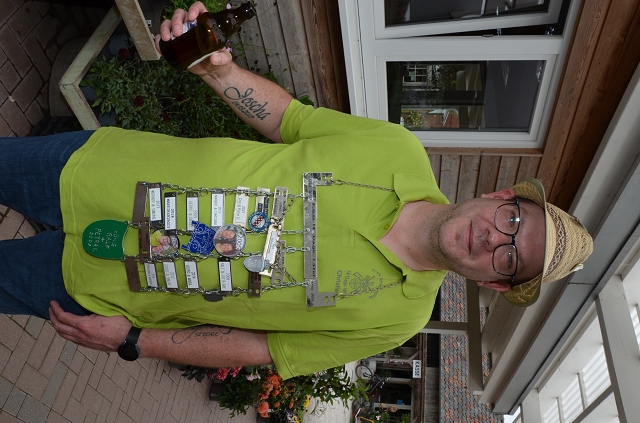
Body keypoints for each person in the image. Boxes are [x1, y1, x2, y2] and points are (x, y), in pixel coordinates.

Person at [0, 2, 593, 379]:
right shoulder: (398, 149)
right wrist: (221, 72)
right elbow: (291, 120)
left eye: (510, 258)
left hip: (106, 289)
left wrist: (135, 340)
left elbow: (262, 347)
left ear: (494, 282)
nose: (494, 240)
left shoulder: (397, 321)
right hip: (98, 170)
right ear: (501, 197)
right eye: (514, 223)